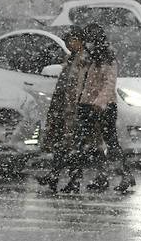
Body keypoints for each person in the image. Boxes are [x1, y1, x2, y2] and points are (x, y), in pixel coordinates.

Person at [63, 23, 135, 193]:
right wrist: (77, 100)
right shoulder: (88, 59)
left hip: (104, 107)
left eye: (89, 41)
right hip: (85, 106)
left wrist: (98, 102)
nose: (86, 44)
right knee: (84, 145)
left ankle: (124, 174)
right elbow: (82, 83)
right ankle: (83, 178)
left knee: (110, 142)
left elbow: (109, 84)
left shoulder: (107, 60)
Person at [36, 26, 88, 192]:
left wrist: (77, 105)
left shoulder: (84, 60)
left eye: (73, 40)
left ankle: (62, 177)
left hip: (74, 108)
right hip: (62, 107)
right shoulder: (71, 59)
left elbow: (80, 85)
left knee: (72, 146)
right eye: (68, 41)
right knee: (61, 145)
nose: (70, 44)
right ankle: (57, 176)